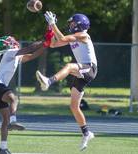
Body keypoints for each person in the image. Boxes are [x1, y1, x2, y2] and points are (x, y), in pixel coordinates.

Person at [36, 11, 97, 151]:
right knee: (74, 107)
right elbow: (52, 44)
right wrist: (50, 28)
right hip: (82, 71)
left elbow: (62, 38)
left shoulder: (83, 35)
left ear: (80, 24)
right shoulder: (75, 36)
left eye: (73, 23)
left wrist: (53, 23)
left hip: (89, 68)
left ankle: (49, 81)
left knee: (69, 66)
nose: (71, 24)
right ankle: (87, 133)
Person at [0, 30, 54, 154]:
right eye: (11, 41)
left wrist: (46, 44)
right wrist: (44, 40)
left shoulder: (15, 56)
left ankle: (3, 148)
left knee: (5, 119)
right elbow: (29, 48)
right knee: (14, 99)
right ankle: (13, 122)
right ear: (7, 45)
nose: (13, 42)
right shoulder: (9, 53)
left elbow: (33, 55)